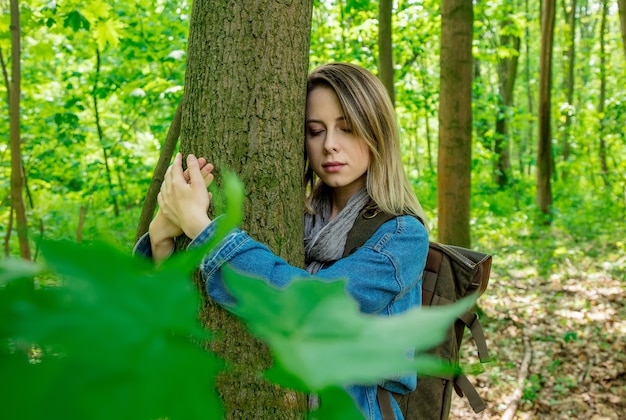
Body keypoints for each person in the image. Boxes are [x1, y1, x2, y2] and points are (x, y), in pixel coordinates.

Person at [135, 63, 429, 419]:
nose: (330, 145)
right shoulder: (291, 215)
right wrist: (161, 239)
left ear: (376, 132)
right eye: (315, 131)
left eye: (347, 129)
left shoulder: (401, 236)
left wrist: (203, 229)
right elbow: (180, 317)